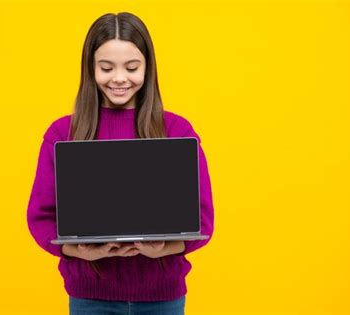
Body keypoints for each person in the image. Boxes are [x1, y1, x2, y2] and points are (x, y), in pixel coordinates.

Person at [27, 12, 214, 315]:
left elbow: (203, 221)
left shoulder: (177, 132)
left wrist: (164, 248)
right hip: (90, 299)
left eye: (131, 67)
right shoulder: (63, 134)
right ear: (90, 69)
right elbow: (41, 218)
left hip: (162, 299)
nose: (119, 78)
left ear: (148, 68)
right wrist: (82, 252)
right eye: (106, 67)